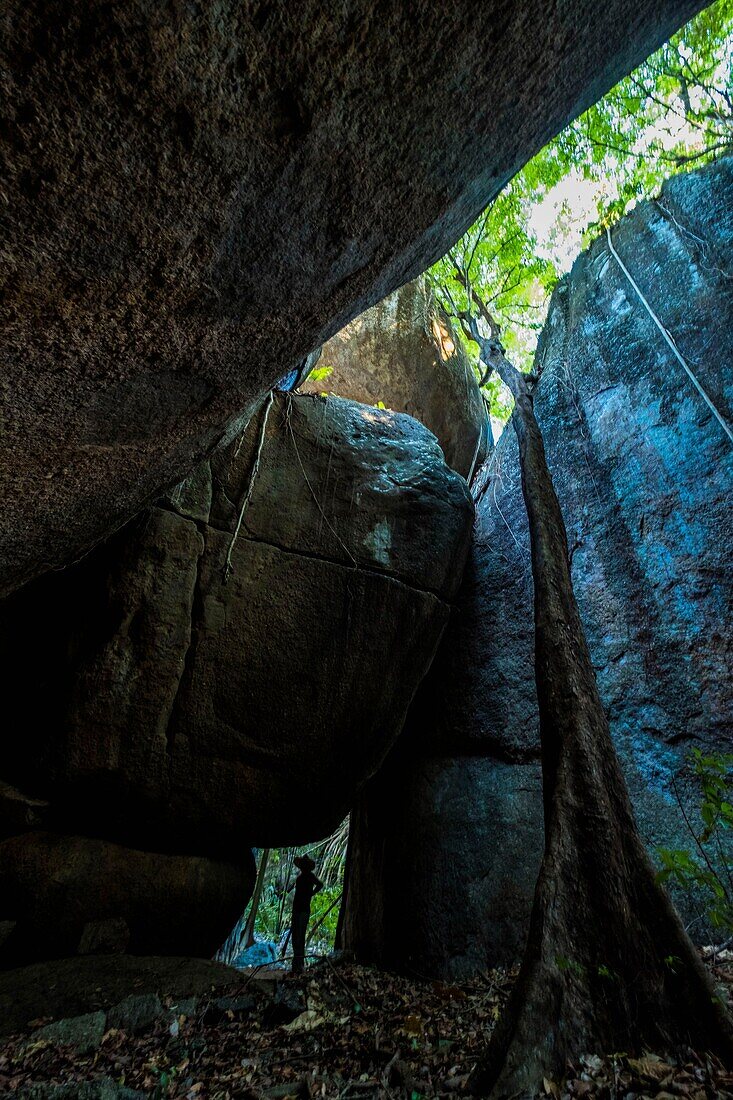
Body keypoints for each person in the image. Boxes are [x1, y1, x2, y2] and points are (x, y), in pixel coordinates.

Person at [289, 855, 323, 974]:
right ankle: (296, 963)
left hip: (303, 910)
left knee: (300, 937)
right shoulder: (300, 878)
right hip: (298, 909)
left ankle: (299, 964)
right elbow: (297, 895)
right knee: (296, 937)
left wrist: (312, 893)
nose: (303, 868)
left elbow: (320, 884)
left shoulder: (310, 877)